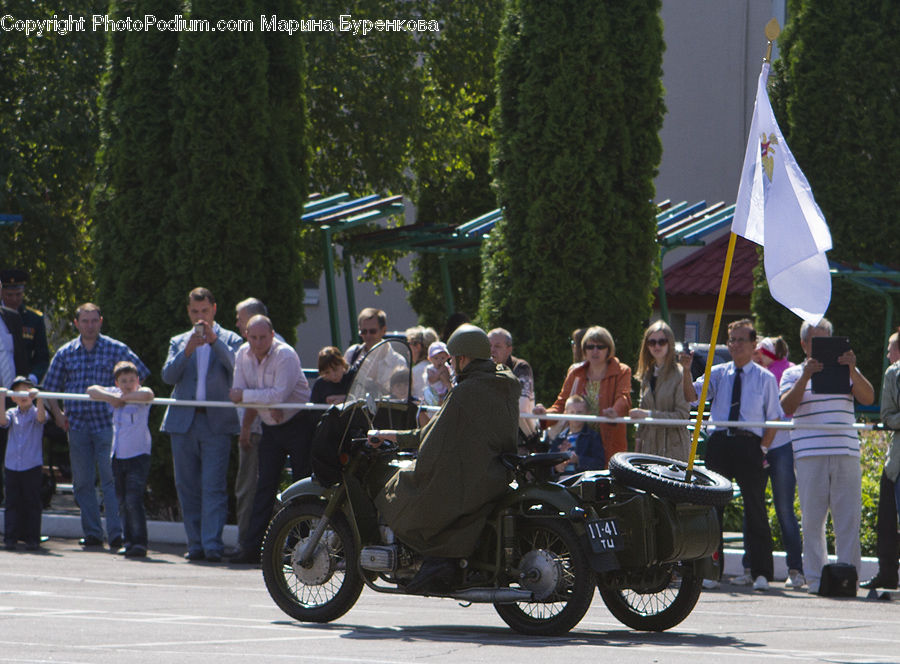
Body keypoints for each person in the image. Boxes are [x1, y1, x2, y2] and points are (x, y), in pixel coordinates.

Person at [369, 324, 520, 593]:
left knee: (405, 486)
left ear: (462, 358)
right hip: (497, 471)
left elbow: (432, 437)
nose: (450, 364)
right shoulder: (504, 380)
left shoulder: (466, 391)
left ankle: (430, 559)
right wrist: (394, 434)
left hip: (476, 476)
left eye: (451, 359)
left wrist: (398, 442)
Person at [682, 318, 781, 591]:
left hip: (749, 444)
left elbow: (773, 419)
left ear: (753, 345)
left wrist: (762, 449)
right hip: (720, 443)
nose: (735, 345)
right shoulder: (718, 372)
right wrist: (686, 370)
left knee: (756, 508)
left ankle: (760, 572)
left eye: (740, 340)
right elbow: (692, 396)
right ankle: (712, 571)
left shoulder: (765, 378)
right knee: (713, 511)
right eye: (731, 340)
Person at [43, 303, 149, 550]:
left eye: (94, 321)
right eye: (85, 321)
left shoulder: (116, 348)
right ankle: (92, 533)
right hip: (77, 426)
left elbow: (140, 375)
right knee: (82, 483)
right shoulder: (66, 352)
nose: (89, 326)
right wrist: (58, 415)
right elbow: (50, 388)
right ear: (76, 323)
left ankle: (117, 535)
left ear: (101, 321)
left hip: (109, 427)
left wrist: (127, 398)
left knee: (111, 482)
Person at [780, 318, 874, 594]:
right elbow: (786, 406)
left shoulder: (846, 370)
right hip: (810, 454)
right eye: (814, 342)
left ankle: (847, 579)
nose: (820, 348)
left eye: (825, 341)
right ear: (803, 344)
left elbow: (868, 397)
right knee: (811, 520)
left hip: (845, 451)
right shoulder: (793, 373)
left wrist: (853, 369)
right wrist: (806, 376)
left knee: (848, 520)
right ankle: (816, 580)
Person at [160, 287, 243, 563]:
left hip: (216, 422)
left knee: (213, 486)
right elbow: (168, 377)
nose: (200, 317)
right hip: (183, 421)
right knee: (187, 485)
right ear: (188, 311)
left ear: (214, 310)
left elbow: (235, 367)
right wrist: (186, 352)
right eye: (195, 312)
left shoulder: (230, 338)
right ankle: (195, 544)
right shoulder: (179, 341)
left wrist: (215, 341)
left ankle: (212, 545)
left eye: (204, 311)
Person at [229, 315, 311, 564]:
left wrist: (254, 397)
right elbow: (239, 395)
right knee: (264, 486)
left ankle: (299, 549)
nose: (257, 342)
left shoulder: (285, 354)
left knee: (302, 486)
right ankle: (252, 548)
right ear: (246, 335)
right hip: (270, 426)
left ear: (272, 335)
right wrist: (266, 401)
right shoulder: (242, 354)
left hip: (299, 424)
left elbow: (276, 394)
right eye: (253, 337)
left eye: (262, 337)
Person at [744, 334, 803, 589]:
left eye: (759, 352)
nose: (756, 356)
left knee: (784, 509)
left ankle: (795, 569)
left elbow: (783, 409)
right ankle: (749, 567)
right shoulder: (752, 374)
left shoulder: (785, 372)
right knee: (752, 508)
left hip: (779, 447)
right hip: (758, 447)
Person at [534, 325, 632, 463]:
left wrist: (614, 412)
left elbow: (623, 397)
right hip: (580, 441)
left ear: (608, 349)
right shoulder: (575, 372)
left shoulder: (622, 370)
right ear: (584, 350)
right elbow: (562, 405)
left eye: (600, 347)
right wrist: (544, 414)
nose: (595, 351)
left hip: (609, 439)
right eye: (590, 347)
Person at [87, 361, 154, 558]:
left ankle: (140, 542)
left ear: (138, 380)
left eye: (132, 380)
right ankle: (129, 541)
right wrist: (112, 398)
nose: (128, 384)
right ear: (116, 382)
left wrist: (125, 398)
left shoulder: (141, 393)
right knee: (122, 501)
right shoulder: (114, 393)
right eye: (123, 381)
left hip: (138, 455)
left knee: (134, 499)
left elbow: (148, 395)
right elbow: (91, 390)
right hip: (118, 456)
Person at [232, 297, 283, 554]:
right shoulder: (244, 351)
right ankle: (250, 543)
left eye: (240, 319)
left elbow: (267, 394)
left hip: (268, 429)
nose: (238, 325)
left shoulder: (280, 351)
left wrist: (246, 427)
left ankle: (253, 545)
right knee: (250, 490)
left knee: (256, 490)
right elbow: (239, 392)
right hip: (254, 426)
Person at [863, 329, 900, 591]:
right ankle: (887, 574)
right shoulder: (893, 374)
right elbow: (887, 416)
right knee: (886, 520)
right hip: (897, 464)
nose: (887, 356)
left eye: (890, 349)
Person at [630, 321, 691, 460]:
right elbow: (642, 419)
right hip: (649, 448)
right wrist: (637, 448)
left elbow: (682, 415)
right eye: (652, 342)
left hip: (674, 448)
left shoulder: (681, 374)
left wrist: (649, 414)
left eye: (661, 341)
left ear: (670, 343)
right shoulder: (646, 374)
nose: (656, 346)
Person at [1, 376, 46, 550]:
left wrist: (40, 398)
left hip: (31, 466)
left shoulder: (36, 412)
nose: (23, 395)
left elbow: (42, 419)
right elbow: (3, 422)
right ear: (13, 397)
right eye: (18, 391)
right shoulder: (12, 413)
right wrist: (2, 398)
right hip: (12, 466)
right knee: (11, 503)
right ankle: (10, 538)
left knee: (32, 502)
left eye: (27, 391)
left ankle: (32, 538)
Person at [0, 272, 29, 505]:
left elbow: (20, 356)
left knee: (11, 457)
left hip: (10, 400)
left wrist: (22, 389)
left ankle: (12, 518)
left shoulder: (11, 317)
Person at [0, 269, 50, 384]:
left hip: (25, 385)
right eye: (9, 295)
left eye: (18, 294)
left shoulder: (34, 318)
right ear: (1, 292)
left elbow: (42, 357)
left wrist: (32, 379)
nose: (14, 299)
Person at [488, 328, 537, 436]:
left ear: (509, 350)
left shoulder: (521, 368)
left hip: (520, 437)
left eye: (497, 346)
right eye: (489, 345)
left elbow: (520, 408)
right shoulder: (482, 368)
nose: (492, 350)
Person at [548, 394, 605, 474]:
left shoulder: (593, 437)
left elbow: (599, 464)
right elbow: (548, 461)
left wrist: (578, 460)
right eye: (572, 412)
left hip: (580, 482)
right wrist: (556, 467)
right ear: (565, 414)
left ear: (587, 413)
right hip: (560, 482)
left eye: (579, 412)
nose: (575, 416)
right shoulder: (559, 438)